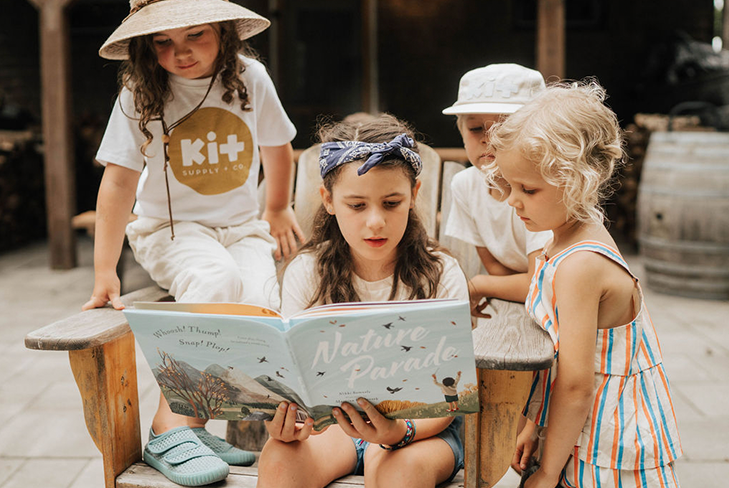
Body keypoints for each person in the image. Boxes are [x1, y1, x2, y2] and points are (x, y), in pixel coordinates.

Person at [82, 0, 303, 485]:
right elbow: (118, 183)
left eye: (196, 36)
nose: (180, 53)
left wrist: (278, 208)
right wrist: (104, 271)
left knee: (264, 304)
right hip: (169, 228)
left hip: (242, 227)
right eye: (163, 42)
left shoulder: (250, 78)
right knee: (214, 278)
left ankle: (202, 426)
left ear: (224, 32)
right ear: (145, 47)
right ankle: (173, 424)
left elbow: (277, 147)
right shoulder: (142, 92)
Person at [486, 80, 682, 488]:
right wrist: (533, 427)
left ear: (579, 180)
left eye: (528, 189)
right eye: (510, 185)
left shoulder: (580, 265)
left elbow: (576, 385)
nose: (512, 200)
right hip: (578, 430)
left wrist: (548, 471)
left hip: (608, 443)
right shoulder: (562, 239)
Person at [257, 114, 468, 488]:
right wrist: (288, 422)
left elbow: (451, 396)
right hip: (333, 429)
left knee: (400, 470)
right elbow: (292, 377)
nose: (375, 222)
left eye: (391, 203)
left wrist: (397, 432)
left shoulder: (441, 273)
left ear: (414, 196)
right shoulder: (307, 271)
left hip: (419, 429)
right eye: (357, 205)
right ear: (329, 200)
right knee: (278, 458)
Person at [442, 63, 552, 315]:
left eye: (504, 128)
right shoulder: (466, 185)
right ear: (461, 132)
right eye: (475, 128)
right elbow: (497, 268)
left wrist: (479, 285)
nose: (487, 138)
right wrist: (502, 283)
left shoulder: (544, 188)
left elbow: (542, 284)